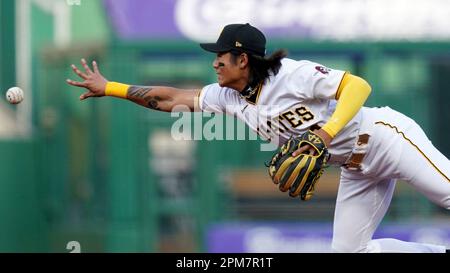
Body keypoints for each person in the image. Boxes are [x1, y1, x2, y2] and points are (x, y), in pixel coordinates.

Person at [66, 23, 450, 253]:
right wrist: (111, 87)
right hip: (355, 167)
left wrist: (324, 133)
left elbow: (358, 86)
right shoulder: (228, 97)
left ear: (243, 59)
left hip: (384, 137)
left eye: (221, 56)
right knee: (349, 250)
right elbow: (172, 99)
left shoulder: (290, 76)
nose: (214, 62)